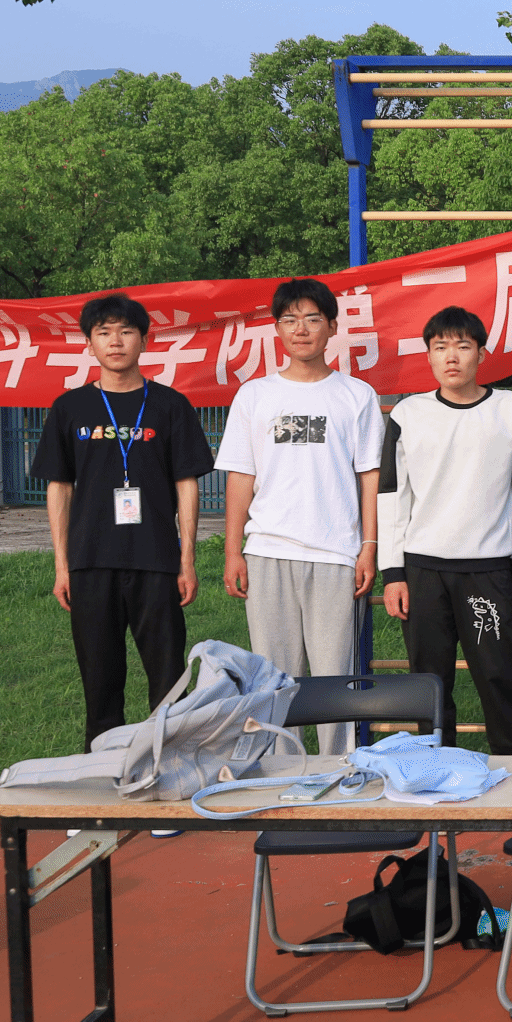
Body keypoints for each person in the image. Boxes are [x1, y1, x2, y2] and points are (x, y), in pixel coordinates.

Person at [32, 293, 213, 838]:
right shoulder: (70, 409)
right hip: (91, 563)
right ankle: (100, 791)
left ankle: (163, 785)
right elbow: (59, 488)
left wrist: (186, 558)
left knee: (167, 680)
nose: (116, 341)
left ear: (144, 340)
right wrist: (62, 564)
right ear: (89, 343)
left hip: (156, 561)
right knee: (101, 680)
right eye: (104, 332)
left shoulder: (170, 406)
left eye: (126, 331)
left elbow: (187, 484)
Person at [216, 278, 384, 757]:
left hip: (336, 554)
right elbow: (241, 477)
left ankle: (339, 768)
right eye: (289, 320)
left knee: (335, 678)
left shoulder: (356, 395)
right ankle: (280, 771)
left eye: (312, 319)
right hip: (267, 552)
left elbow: (369, 477)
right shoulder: (255, 395)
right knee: (273, 678)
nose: (301, 329)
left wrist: (368, 547)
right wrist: (233, 551)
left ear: (332, 327)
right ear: (277, 329)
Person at [379, 306, 512, 755]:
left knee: (500, 676)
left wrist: (506, 545)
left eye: (462, 346)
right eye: (440, 347)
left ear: (481, 353)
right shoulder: (409, 413)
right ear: (429, 356)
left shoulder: (509, 409)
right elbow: (393, 496)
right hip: (422, 571)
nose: (451, 356)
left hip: (486, 570)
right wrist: (393, 572)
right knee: (429, 680)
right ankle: (434, 766)